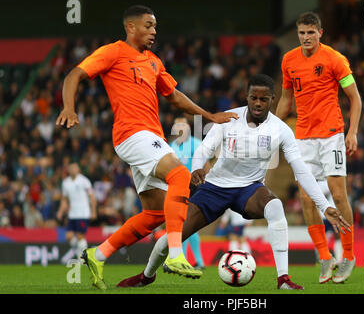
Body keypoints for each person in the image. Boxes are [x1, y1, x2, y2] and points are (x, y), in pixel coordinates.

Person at [56, 5, 237, 290]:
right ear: (131, 27)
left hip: (151, 136)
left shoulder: (153, 61)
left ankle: (98, 254)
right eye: (148, 26)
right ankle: (176, 254)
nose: (154, 32)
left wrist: (210, 116)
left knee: (154, 214)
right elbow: (73, 75)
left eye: (155, 27)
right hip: (131, 134)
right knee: (179, 175)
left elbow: (174, 96)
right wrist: (69, 107)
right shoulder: (113, 51)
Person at [116, 74, 350, 290]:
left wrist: (324, 206)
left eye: (263, 99)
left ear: (272, 99)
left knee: (275, 206)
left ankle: (283, 278)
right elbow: (203, 150)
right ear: (247, 97)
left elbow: (301, 171)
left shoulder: (280, 130)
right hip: (215, 188)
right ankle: (146, 275)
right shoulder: (229, 119)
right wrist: (197, 167)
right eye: (254, 98)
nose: (258, 103)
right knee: (172, 237)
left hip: (249, 190)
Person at [275, 12, 362, 284]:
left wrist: (352, 131)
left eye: (311, 32)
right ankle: (324, 256)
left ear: (320, 33)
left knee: (338, 195)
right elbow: (286, 99)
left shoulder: (334, 59)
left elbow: (355, 99)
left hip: (332, 135)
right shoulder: (289, 60)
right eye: (302, 33)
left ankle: (348, 255)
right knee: (306, 198)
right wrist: (274, 128)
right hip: (302, 137)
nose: (305, 37)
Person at [170, 116, 205, 270]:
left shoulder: (196, 144)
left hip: (195, 186)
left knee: (186, 223)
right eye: (177, 125)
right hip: (179, 187)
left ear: (188, 127)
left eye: (182, 124)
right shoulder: (172, 146)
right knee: (184, 223)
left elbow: (207, 163)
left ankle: (186, 259)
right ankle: (197, 261)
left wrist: (206, 182)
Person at [56, 163, 97, 260]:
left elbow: (92, 196)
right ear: (68, 170)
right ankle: (83, 251)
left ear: (78, 169)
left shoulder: (84, 181)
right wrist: (60, 211)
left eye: (75, 168)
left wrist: (93, 211)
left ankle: (82, 259)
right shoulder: (65, 183)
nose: (73, 170)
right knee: (69, 236)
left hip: (83, 213)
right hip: (72, 214)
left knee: (80, 236)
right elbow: (64, 199)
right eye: (71, 168)